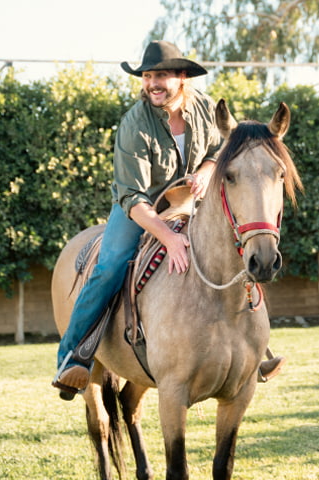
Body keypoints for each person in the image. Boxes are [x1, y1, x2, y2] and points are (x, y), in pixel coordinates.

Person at [52, 41, 284, 397]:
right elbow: (132, 196)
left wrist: (206, 173)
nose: (152, 84)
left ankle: (253, 352)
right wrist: (170, 238)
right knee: (111, 264)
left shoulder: (208, 109)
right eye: (147, 76)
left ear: (182, 78)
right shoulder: (134, 123)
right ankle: (72, 355)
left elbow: (219, 152)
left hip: (192, 201)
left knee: (239, 243)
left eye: (161, 75)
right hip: (141, 208)